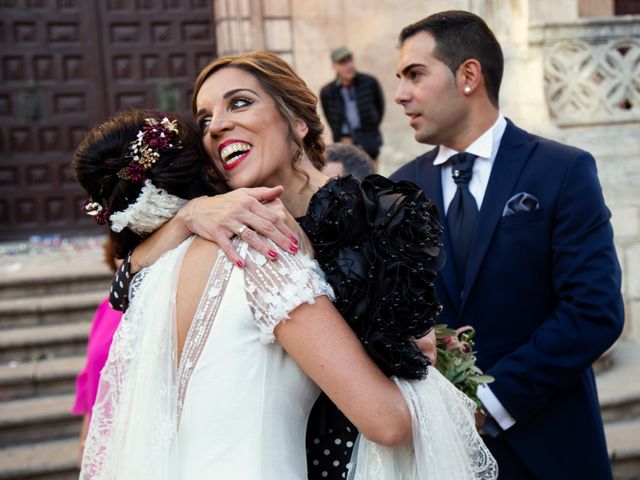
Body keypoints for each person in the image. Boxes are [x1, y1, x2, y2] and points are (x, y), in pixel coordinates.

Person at [104, 53, 497, 479]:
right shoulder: (225, 227)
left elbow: (415, 361)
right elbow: (125, 288)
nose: (216, 126)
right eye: (204, 119)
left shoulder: (378, 214)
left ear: (297, 120)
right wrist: (188, 215)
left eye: (238, 103)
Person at [390, 11, 624, 479]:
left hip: (552, 447)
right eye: (400, 79)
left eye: (415, 74)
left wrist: (489, 403)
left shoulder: (562, 170)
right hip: (442, 456)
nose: (400, 94)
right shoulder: (397, 191)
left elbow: (594, 311)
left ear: (469, 75)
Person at [71, 239, 123, 465]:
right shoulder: (107, 306)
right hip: (101, 445)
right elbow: (89, 378)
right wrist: (85, 443)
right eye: (122, 251)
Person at [320, 47, 385, 162]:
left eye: (349, 60)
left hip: (368, 138)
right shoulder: (328, 92)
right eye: (342, 62)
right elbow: (330, 118)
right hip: (345, 140)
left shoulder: (369, 83)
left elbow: (380, 108)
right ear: (334, 66)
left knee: (373, 178)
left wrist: (370, 129)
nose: (348, 66)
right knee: (350, 177)